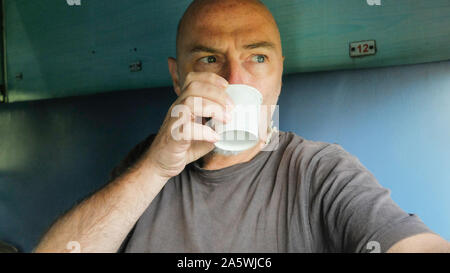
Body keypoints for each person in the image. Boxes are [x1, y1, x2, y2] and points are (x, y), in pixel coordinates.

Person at [34, 0, 450, 253]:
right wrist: (154, 169)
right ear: (179, 79)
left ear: (280, 75)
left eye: (258, 57)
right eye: (210, 59)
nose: (235, 80)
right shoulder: (146, 164)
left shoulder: (320, 171)